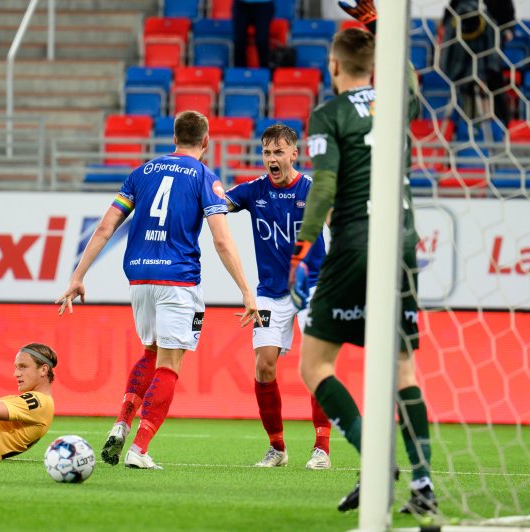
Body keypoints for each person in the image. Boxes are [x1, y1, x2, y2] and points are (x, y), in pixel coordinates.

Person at [290, 1, 437, 514]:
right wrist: (379, 25)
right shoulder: (397, 98)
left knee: (315, 364)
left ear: (333, 67)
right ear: (374, 66)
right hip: (402, 238)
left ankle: (377, 465)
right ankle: (423, 484)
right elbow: (414, 87)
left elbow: (325, 182)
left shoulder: (328, 114)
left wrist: (304, 243)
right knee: (402, 364)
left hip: (355, 242)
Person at [57, 110, 260, 470]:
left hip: (139, 280)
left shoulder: (142, 172)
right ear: (207, 140)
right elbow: (222, 240)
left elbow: (106, 227)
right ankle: (140, 448)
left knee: (150, 353)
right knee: (170, 365)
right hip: (178, 282)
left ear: (173, 139)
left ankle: (121, 423)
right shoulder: (204, 177)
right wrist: (246, 290)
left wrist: (77, 275)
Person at [224, 123, 332, 470]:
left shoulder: (312, 190)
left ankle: (322, 449)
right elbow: (216, 206)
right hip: (270, 293)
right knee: (264, 365)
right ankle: (277, 448)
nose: (272, 159)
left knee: (316, 364)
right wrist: (200, 193)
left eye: (279, 152)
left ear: (294, 154)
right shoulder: (252, 191)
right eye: (267, 152)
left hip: (312, 286)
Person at [439, 0, 516, 126]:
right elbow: (450, 13)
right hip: (465, 50)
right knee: (465, 86)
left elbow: (508, 16)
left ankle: (501, 125)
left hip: (489, 50)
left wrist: (507, 31)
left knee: (493, 84)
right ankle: (466, 126)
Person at [233, 0, 276, 68]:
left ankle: (265, 72)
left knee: (262, 40)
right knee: (239, 41)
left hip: (264, 4)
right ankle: (239, 73)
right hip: (241, 4)